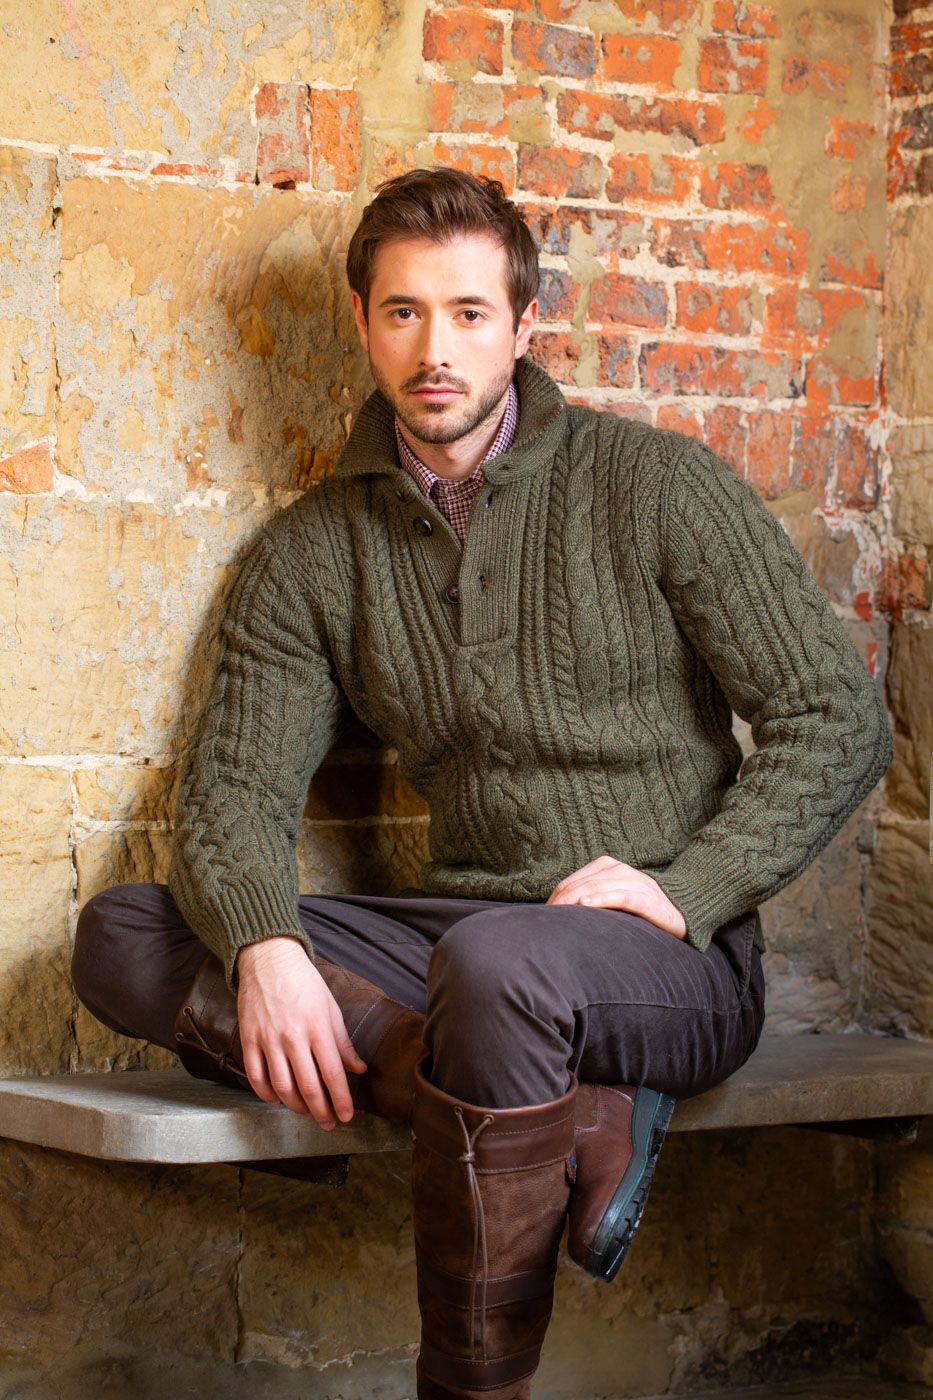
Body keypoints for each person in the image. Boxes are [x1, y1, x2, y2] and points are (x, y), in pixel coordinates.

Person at [72, 167, 893, 1399]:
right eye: (404, 312)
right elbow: (232, 795)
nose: (435, 348)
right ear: (362, 324)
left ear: (522, 326)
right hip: (463, 940)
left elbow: (838, 713)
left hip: (668, 953)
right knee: (120, 931)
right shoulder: (312, 553)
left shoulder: (656, 486)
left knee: (502, 965)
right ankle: (565, 1116)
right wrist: (266, 948)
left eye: (467, 313)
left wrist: (691, 886)